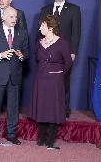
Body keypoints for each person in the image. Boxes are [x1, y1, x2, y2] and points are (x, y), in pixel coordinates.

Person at [0, 7, 29, 145]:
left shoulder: (22, 33)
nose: (14, 19)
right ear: (3, 17)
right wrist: (0, 55)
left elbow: (26, 52)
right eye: (11, 17)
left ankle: (11, 134)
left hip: (15, 75)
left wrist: (22, 56)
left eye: (16, 17)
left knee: (13, 107)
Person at [28, 15, 73, 150]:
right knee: (42, 107)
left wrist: (57, 73)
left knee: (53, 109)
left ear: (51, 28)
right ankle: (41, 137)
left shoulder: (62, 43)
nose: (40, 27)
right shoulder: (39, 43)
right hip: (41, 79)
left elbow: (68, 63)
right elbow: (37, 60)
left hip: (55, 81)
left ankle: (51, 139)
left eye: (42, 25)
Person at [39, 0, 81, 118]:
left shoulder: (74, 9)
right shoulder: (45, 9)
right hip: (46, 52)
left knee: (63, 81)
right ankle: (46, 108)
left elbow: (76, 33)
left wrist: (73, 51)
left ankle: (63, 109)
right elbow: (39, 31)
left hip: (64, 52)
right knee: (46, 81)